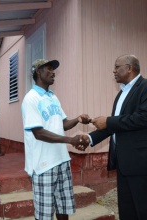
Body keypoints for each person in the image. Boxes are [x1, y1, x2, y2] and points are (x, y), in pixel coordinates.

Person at [87, 54, 147, 220]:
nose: (113, 71)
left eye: (117, 67)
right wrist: (89, 138)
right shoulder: (121, 94)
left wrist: (108, 121)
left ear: (129, 68)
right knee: (127, 209)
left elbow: (144, 118)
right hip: (124, 162)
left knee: (145, 209)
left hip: (141, 162)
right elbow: (116, 125)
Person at [21, 59, 90, 220]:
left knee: (63, 207)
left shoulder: (52, 97)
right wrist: (70, 140)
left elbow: (63, 124)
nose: (53, 73)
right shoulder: (31, 98)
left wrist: (78, 119)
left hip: (61, 160)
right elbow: (39, 133)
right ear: (38, 72)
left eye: (54, 70)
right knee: (45, 215)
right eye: (49, 69)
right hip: (43, 164)